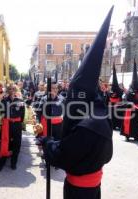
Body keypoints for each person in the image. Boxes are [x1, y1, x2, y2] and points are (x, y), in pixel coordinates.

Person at [42, 7, 114, 199]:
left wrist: (48, 142)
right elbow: (105, 155)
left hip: (79, 190)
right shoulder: (99, 115)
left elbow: (64, 156)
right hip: (93, 184)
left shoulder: (86, 125)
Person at [0, 84, 25, 171]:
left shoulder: (20, 101)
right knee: (5, 143)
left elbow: (22, 114)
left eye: (14, 89)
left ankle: (13, 163)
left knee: (17, 143)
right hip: (7, 124)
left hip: (16, 125)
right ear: (8, 90)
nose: (12, 90)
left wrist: (18, 122)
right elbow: (1, 112)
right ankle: (1, 163)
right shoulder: (4, 101)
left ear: (16, 90)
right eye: (10, 89)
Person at [120, 61, 138, 142]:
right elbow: (124, 101)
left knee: (137, 124)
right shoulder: (128, 92)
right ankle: (127, 136)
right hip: (130, 111)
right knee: (129, 124)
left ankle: (137, 136)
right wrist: (130, 104)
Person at [109, 63, 124, 130]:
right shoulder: (109, 91)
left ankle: (118, 125)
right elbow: (108, 98)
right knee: (112, 116)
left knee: (118, 116)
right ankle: (112, 125)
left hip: (118, 106)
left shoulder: (119, 90)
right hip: (111, 106)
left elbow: (121, 96)